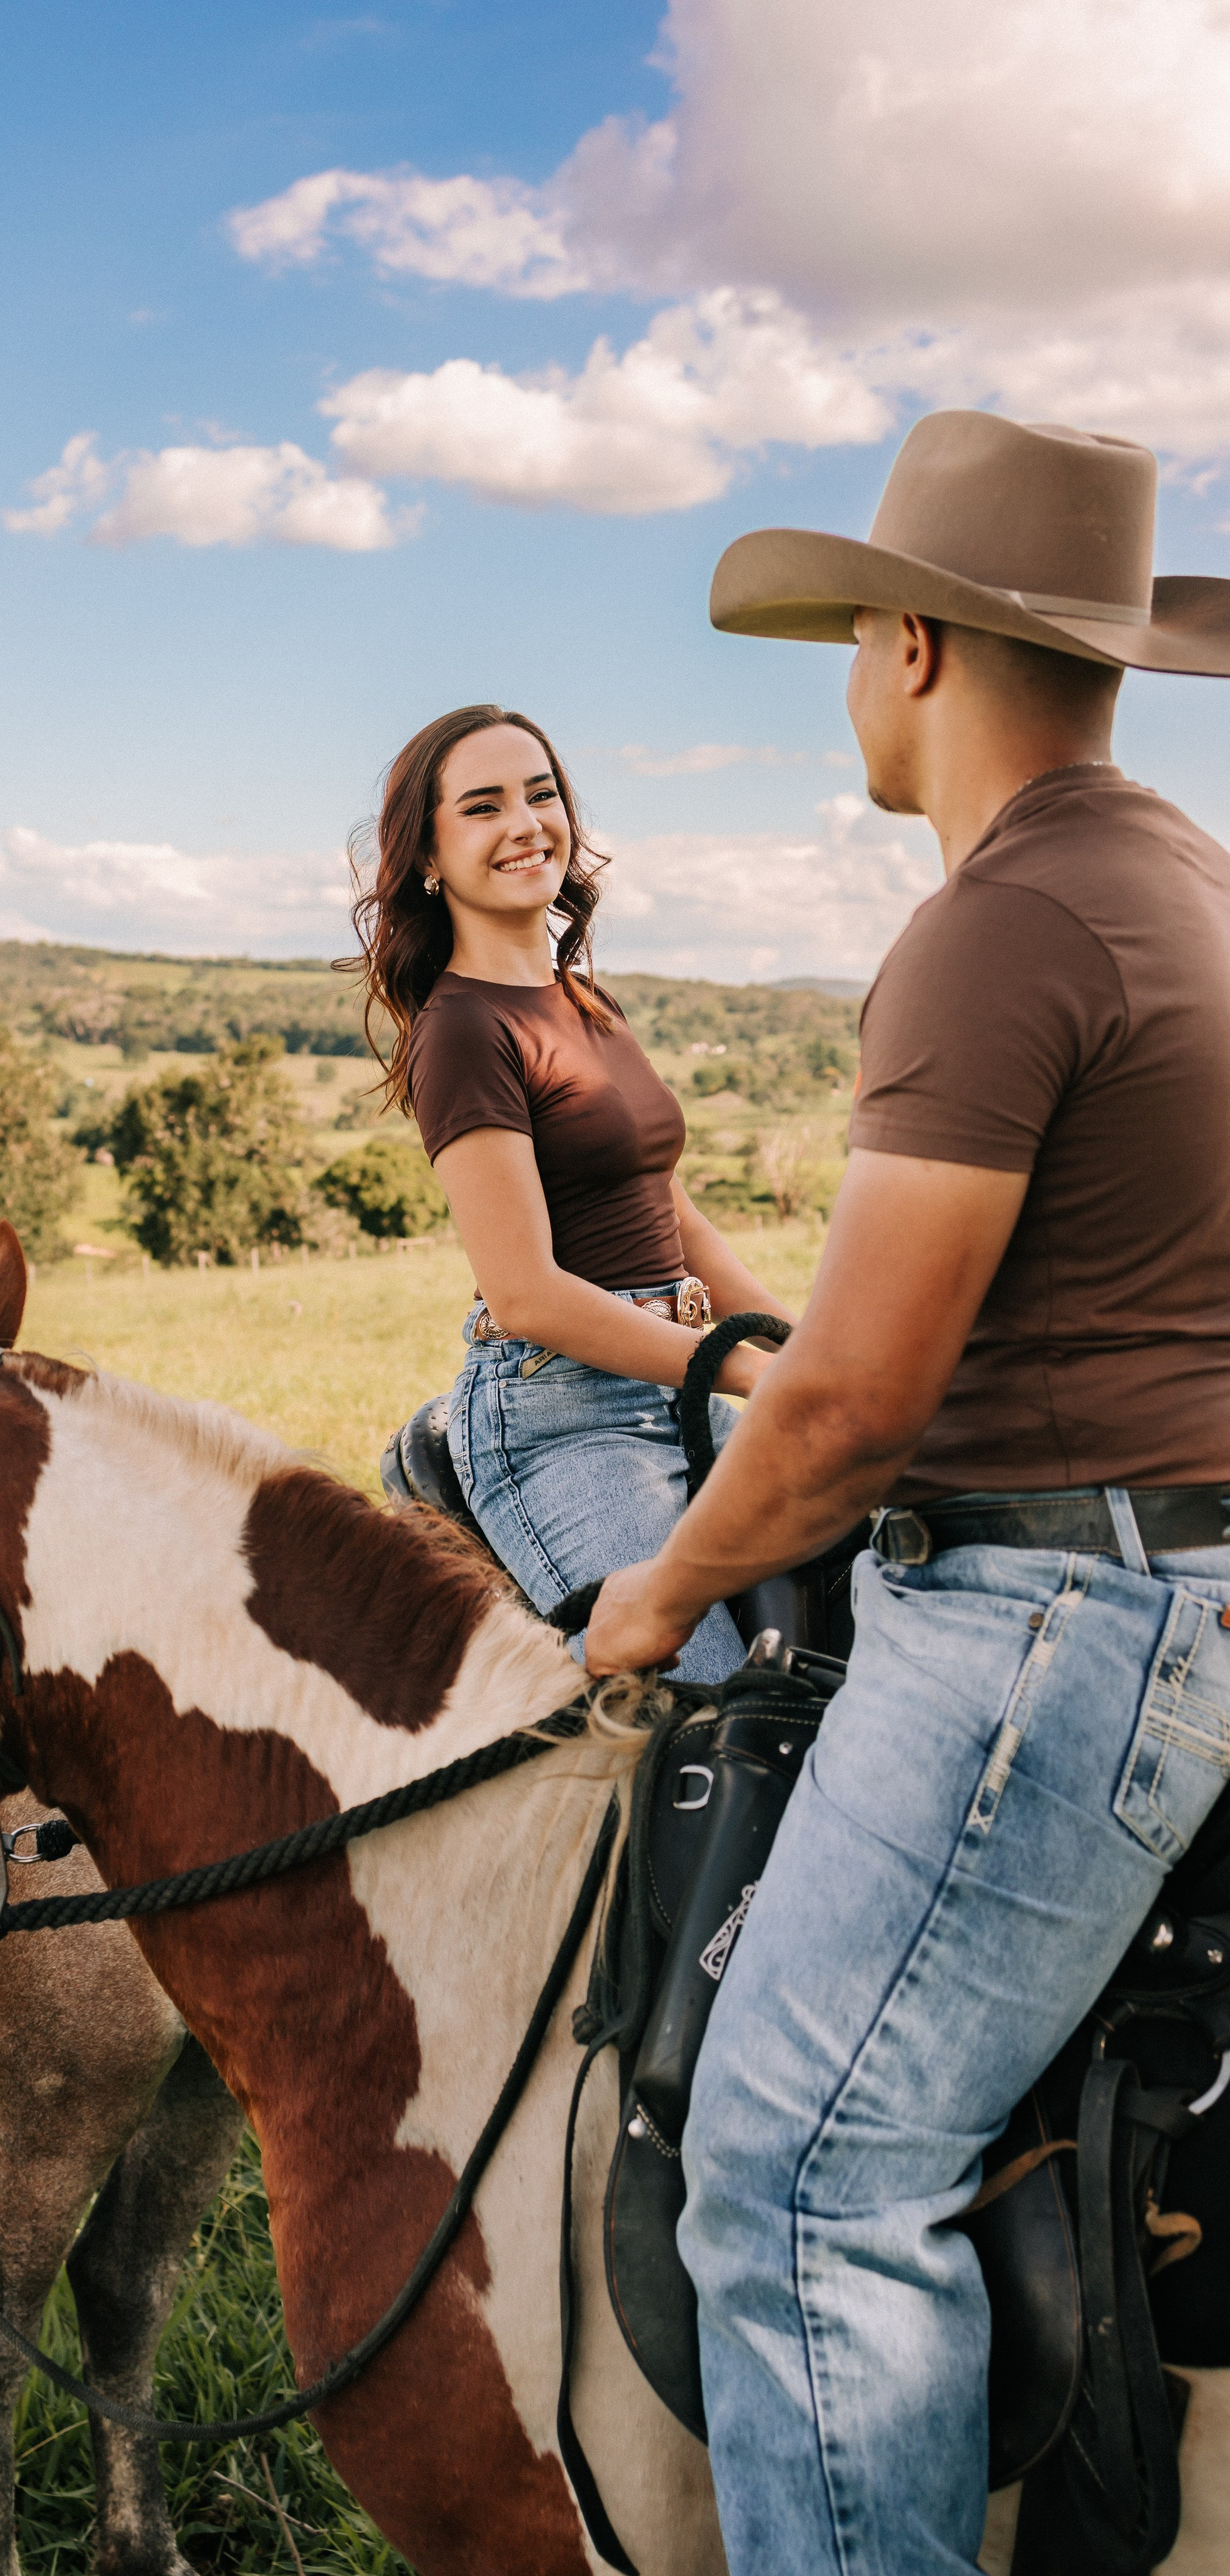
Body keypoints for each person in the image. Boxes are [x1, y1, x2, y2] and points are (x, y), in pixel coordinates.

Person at [584, 411, 1230, 2573]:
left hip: (1051, 1624)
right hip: (1171, 1581)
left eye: (860, 633)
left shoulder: (1003, 919)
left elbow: (854, 1400)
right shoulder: (1186, 882)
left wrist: (659, 1591)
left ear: (914, 645)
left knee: (793, 2166)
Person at [349, 701, 790, 1680]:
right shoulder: (463, 1030)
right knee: (707, 1705)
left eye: (541, 794)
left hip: (679, 1379)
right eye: (484, 806)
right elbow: (528, 1294)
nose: (526, 823)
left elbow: (670, 1214)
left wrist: (794, 1343)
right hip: (567, 1418)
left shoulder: (588, 1003)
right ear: (429, 854)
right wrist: (749, 1371)